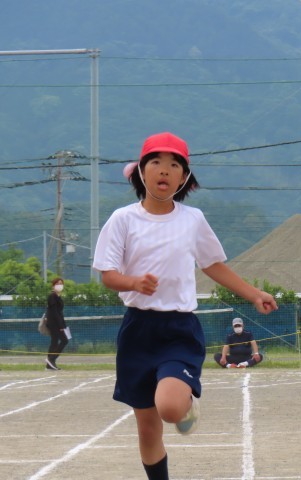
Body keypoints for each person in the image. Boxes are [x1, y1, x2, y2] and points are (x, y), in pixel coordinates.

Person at [92, 132, 278, 480]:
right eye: (157, 163)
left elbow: (212, 265)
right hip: (137, 331)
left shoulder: (192, 220)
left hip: (178, 329)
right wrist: (133, 282)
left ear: (184, 178)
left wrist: (253, 293)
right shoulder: (123, 219)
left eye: (175, 165)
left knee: (171, 408)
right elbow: (108, 275)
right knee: (147, 428)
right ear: (141, 172)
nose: (165, 170)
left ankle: (185, 407)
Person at [45, 277, 68, 371]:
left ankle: (50, 363)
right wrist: (60, 325)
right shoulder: (52, 296)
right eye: (58, 283)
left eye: (61, 283)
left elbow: (60, 312)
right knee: (63, 340)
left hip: (58, 322)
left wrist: (63, 324)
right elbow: (54, 312)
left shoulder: (58, 296)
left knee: (55, 341)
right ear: (53, 285)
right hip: (53, 323)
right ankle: (51, 359)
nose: (60, 285)